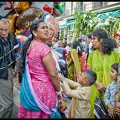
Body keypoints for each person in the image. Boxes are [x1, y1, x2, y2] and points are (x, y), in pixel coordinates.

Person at [17, 19, 63, 118]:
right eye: (43, 28)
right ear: (34, 32)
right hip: (44, 91)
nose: (47, 30)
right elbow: (53, 74)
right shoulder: (43, 48)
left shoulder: (30, 45)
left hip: (30, 90)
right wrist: (59, 90)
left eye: (47, 27)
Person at [87, 28, 120, 118]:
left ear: (101, 40)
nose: (91, 41)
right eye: (91, 39)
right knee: (96, 112)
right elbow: (88, 73)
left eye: (94, 38)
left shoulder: (114, 53)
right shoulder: (92, 54)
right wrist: (97, 83)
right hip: (95, 88)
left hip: (112, 90)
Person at [0, 18, 18, 118]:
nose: (3, 32)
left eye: (6, 29)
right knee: (8, 103)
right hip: (2, 71)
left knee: (6, 99)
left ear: (9, 29)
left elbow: (15, 49)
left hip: (10, 69)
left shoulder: (11, 36)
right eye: (1, 29)